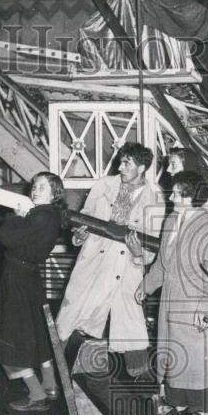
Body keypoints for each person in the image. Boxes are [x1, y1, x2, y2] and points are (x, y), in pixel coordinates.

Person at [56, 143, 165, 377]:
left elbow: (152, 241)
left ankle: (142, 384)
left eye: (127, 163)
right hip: (94, 262)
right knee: (70, 317)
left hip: (126, 267)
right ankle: (56, 375)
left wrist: (138, 253)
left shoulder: (155, 197)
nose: (121, 167)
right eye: (121, 162)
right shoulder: (103, 185)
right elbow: (85, 219)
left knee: (130, 328)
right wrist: (79, 235)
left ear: (142, 168)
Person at [134, 171, 208, 415]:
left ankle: (203, 413)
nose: (171, 197)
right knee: (173, 355)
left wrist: (207, 309)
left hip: (197, 301)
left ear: (191, 197)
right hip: (171, 297)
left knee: (196, 360)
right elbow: (162, 263)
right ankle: (179, 407)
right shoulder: (171, 220)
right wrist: (146, 286)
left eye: (177, 193)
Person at [0, 172, 67, 412]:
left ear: (54, 194)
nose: (35, 190)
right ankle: (50, 385)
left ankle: (37, 394)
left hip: (17, 279)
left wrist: (16, 217)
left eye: (42, 187)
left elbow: (6, 237)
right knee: (36, 334)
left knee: (8, 340)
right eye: (34, 186)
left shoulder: (39, 216)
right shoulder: (50, 215)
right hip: (29, 277)